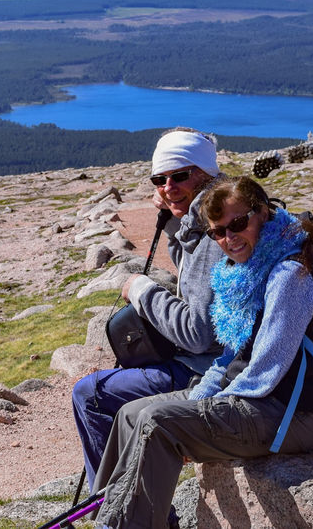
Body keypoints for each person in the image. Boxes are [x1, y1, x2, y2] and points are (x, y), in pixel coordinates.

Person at [92, 176, 313, 529]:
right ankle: (111, 516)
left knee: (159, 424)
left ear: (262, 213)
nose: (229, 239)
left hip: (300, 412)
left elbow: (266, 369)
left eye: (238, 224)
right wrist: (198, 399)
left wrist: (199, 412)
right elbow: (230, 357)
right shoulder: (249, 270)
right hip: (263, 400)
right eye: (217, 232)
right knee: (132, 414)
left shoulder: (289, 274)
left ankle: (124, 522)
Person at [71, 127, 225, 490]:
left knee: (89, 394)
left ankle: (119, 509)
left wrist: (142, 290)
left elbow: (197, 334)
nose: (168, 186)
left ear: (205, 174)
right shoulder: (220, 221)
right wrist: (175, 222)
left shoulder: (216, 239)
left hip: (210, 369)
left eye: (179, 175)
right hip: (216, 360)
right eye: (159, 179)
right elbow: (193, 270)